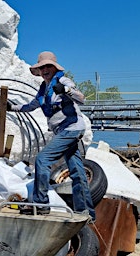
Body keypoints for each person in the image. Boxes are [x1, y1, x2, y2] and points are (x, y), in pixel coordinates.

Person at [6, 51, 96, 221]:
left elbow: (81, 98)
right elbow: (31, 106)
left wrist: (67, 90)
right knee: (77, 171)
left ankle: (41, 205)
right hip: (64, 131)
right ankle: (86, 214)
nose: (45, 69)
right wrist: (12, 107)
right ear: (39, 70)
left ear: (54, 68)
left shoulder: (62, 81)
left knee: (42, 159)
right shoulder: (43, 89)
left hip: (72, 128)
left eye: (48, 66)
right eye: (42, 67)